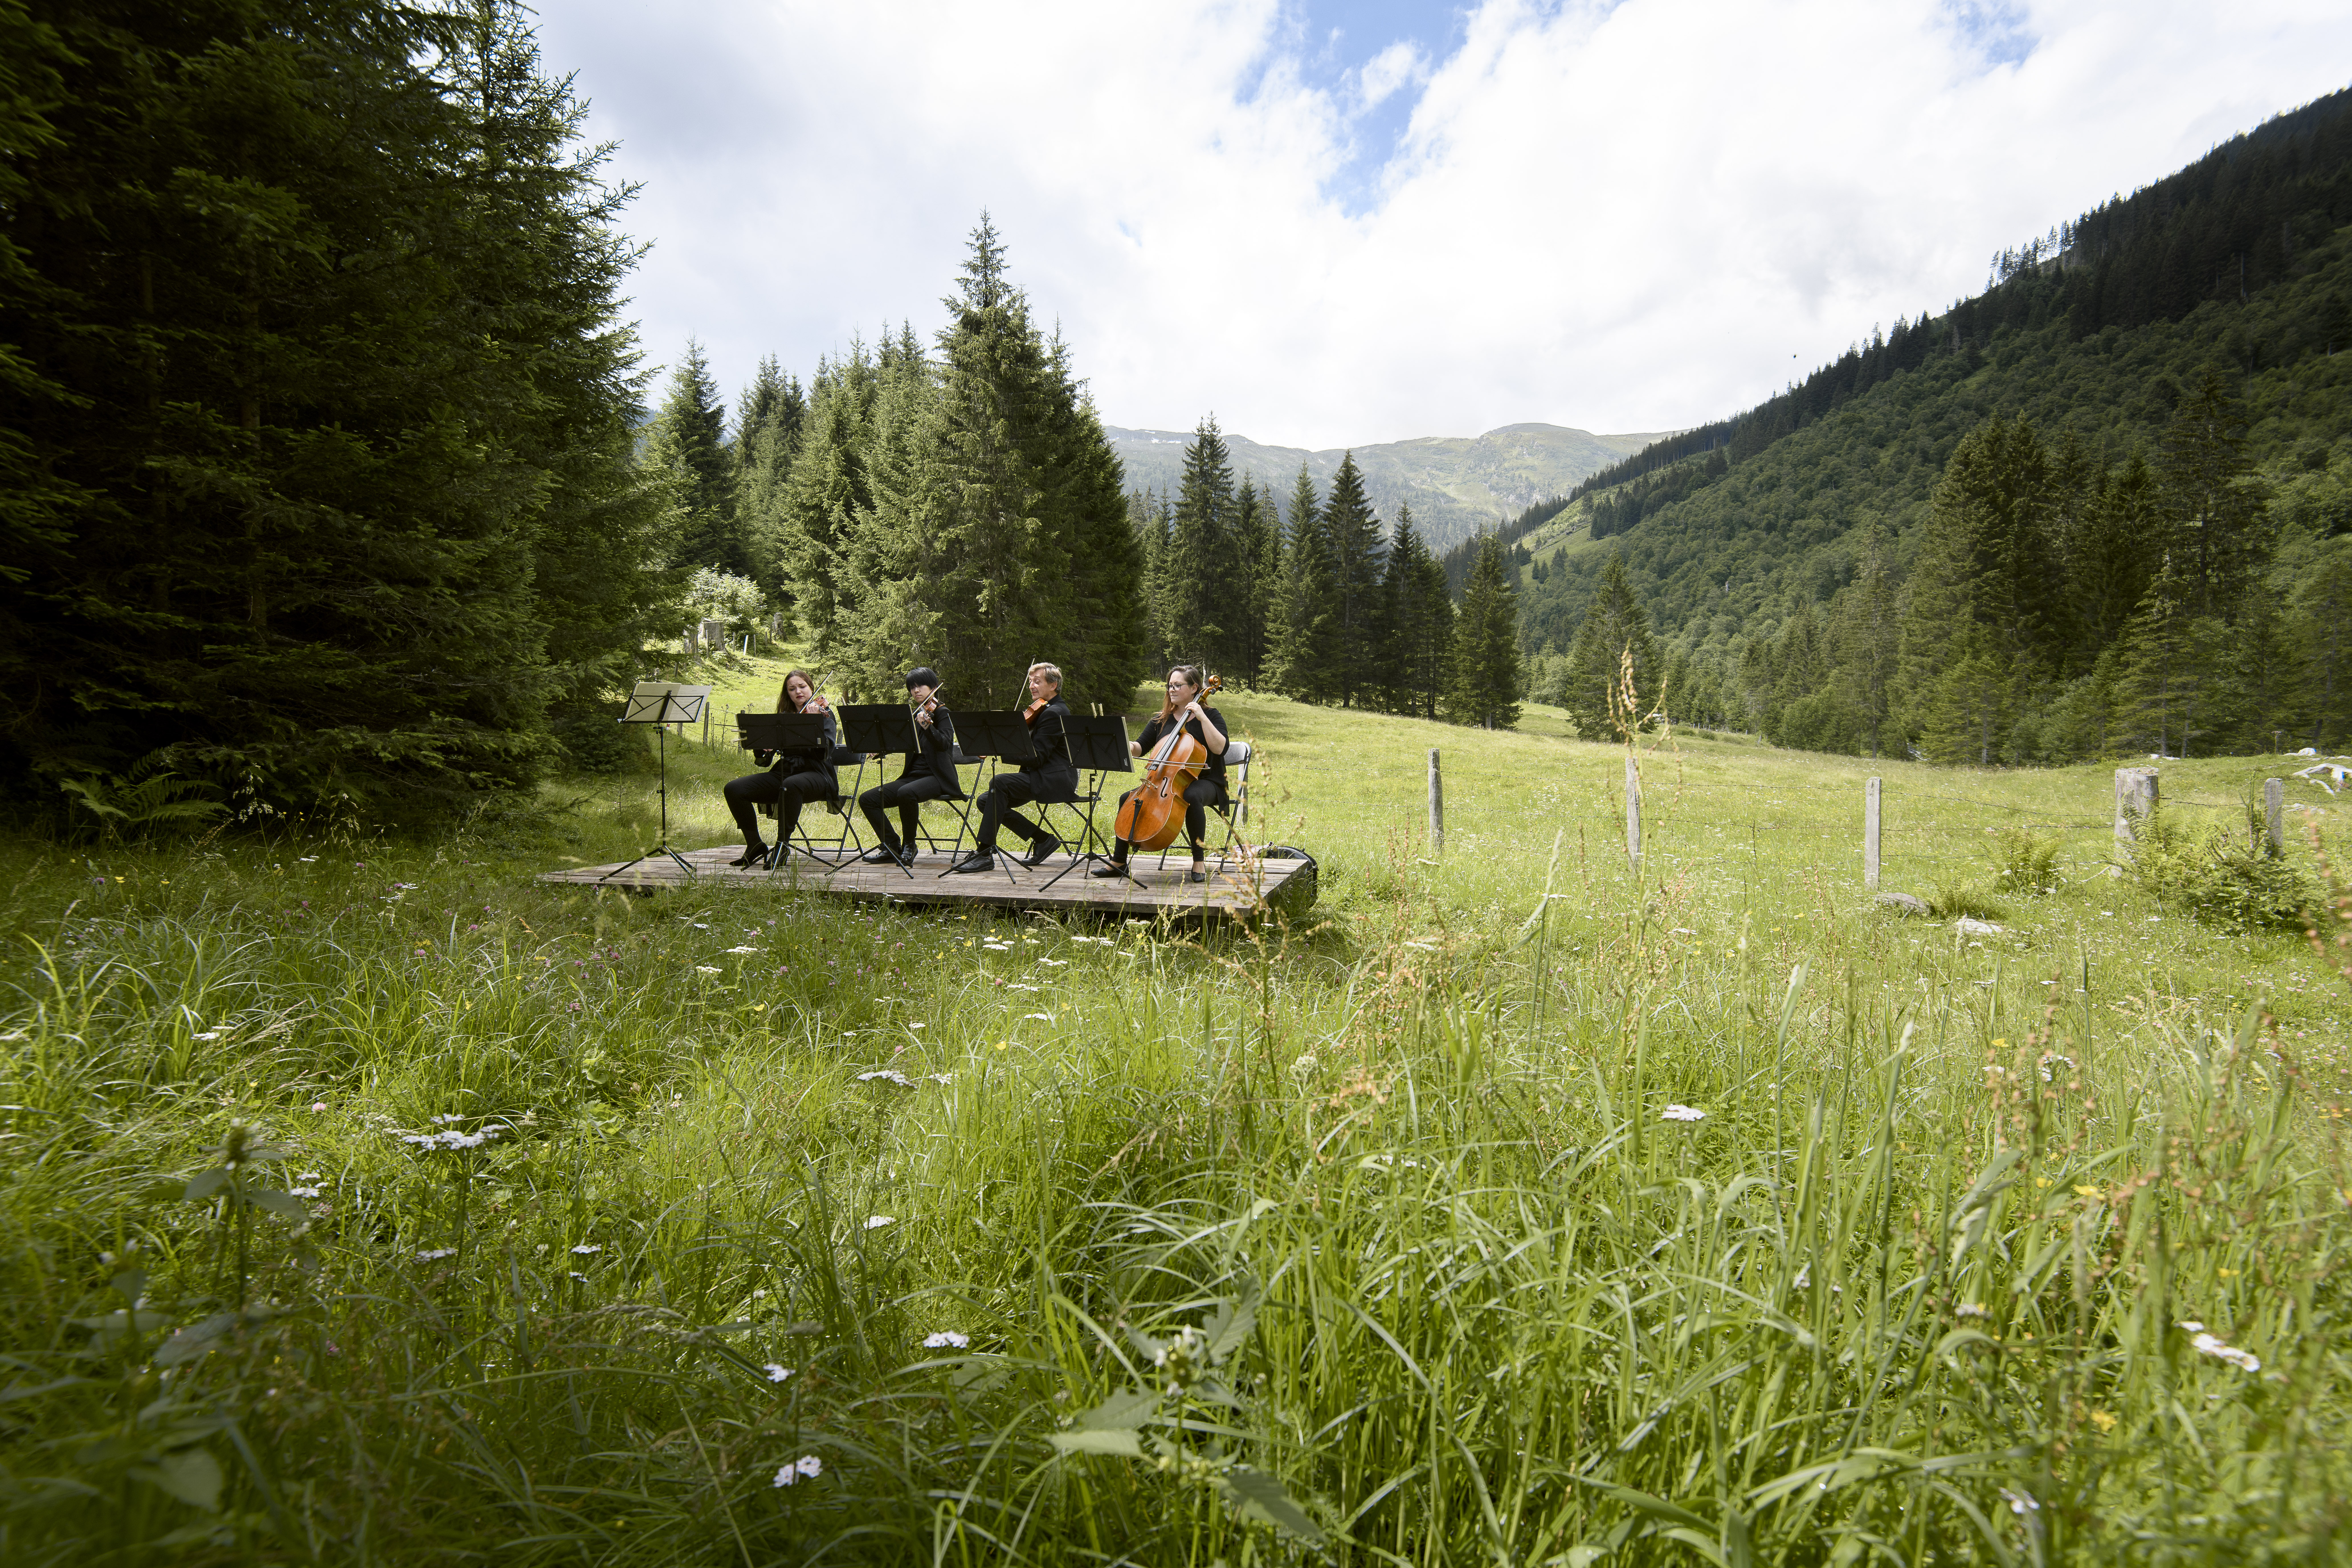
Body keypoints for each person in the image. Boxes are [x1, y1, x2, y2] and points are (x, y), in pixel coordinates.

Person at [1091, 664, 1228, 883]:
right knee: (1127, 798)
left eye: (1177, 685)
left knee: (1192, 796)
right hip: (1168, 782)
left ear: (1194, 688)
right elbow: (1140, 746)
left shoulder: (1211, 715)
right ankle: (1119, 861)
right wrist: (1124, 744)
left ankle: (1198, 860)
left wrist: (1202, 717)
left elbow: (1220, 748)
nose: (1171, 690)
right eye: (1170, 686)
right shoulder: (1161, 719)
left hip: (1207, 781)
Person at [952, 662, 1075, 873]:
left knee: (999, 783)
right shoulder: (1045, 710)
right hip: (1041, 776)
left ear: (1053, 685)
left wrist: (1001, 750)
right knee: (985, 800)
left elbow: (1037, 757)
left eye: (1037, 682)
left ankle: (984, 854)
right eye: (1030, 682)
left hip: (1054, 780)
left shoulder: (1055, 713)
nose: (1031, 686)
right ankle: (1043, 840)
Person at [720, 669, 840, 868]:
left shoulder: (824, 715)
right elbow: (764, 760)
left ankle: (782, 845)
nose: (798, 692)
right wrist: (762, 746)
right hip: (784, 772)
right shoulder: (783, 718)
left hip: (818, 774)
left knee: (790, 785)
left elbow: (823, 754)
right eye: (792, 689)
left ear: (811, 688)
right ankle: (755, 845)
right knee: (734, 789)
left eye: (802, 687)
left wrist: (813, 724)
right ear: (788, 694)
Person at [857, 667, 962, 867]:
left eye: (920, 686)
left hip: (938, 777)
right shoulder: (916, 715)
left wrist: (928, 727)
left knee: (906, 793)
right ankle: (892, 845)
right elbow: (902, 742)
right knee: (868, 799)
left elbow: (945, 744)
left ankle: (910, 845)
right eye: (912, 688)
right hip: (912, 777)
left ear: (933, 686)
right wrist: (881, 750)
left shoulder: (942, 713)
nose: (916, 691)